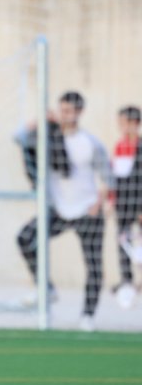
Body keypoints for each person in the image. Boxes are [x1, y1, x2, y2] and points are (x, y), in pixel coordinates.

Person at [14, 91, 114, 331]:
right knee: (25, 238)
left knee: (93, 265)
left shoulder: (90, 142)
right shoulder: (48, 138)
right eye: (62, 110)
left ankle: (87, 316)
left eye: (69, 111)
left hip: (87, 211)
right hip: (58, 210)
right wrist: (37, 122)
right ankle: (46, 288)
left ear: (79, 112)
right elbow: (18, 138)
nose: (65, 115)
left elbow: (108, 178)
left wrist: (99, 203)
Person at [109, 105, 142, 308]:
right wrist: (112, 200)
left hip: (138, 205)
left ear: (134, 123)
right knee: (123, 242)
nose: (122, 126)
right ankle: (126, 281)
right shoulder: (119, 147)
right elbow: (116, 178)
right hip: (123, 205)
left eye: (125, 122)